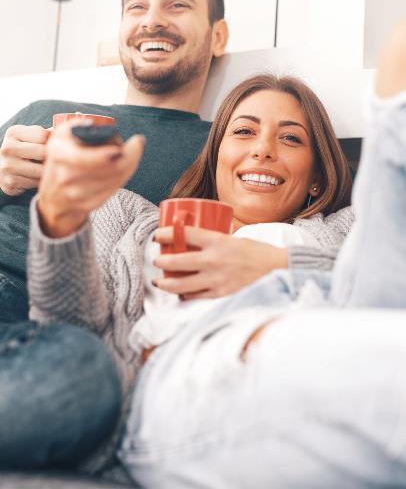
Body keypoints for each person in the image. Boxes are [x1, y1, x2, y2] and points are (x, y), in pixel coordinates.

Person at [0, 70, 353, 472]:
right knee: (79, 361)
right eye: (244, 132)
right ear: (216, 155)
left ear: (316, 177)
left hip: (277, 387)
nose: (262, 150)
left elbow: (387, 286)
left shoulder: (345, 231)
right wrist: (61, 219)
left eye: (290, 138)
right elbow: (69, 331)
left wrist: (274, 264)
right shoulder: (126, 216)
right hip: (149, 410)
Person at [0, 0, 229, 322]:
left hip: (58, 319)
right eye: (136, 6)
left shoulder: (228, 150)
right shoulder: (41, 112)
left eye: (177, 4)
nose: (151, 21)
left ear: (218, 36)